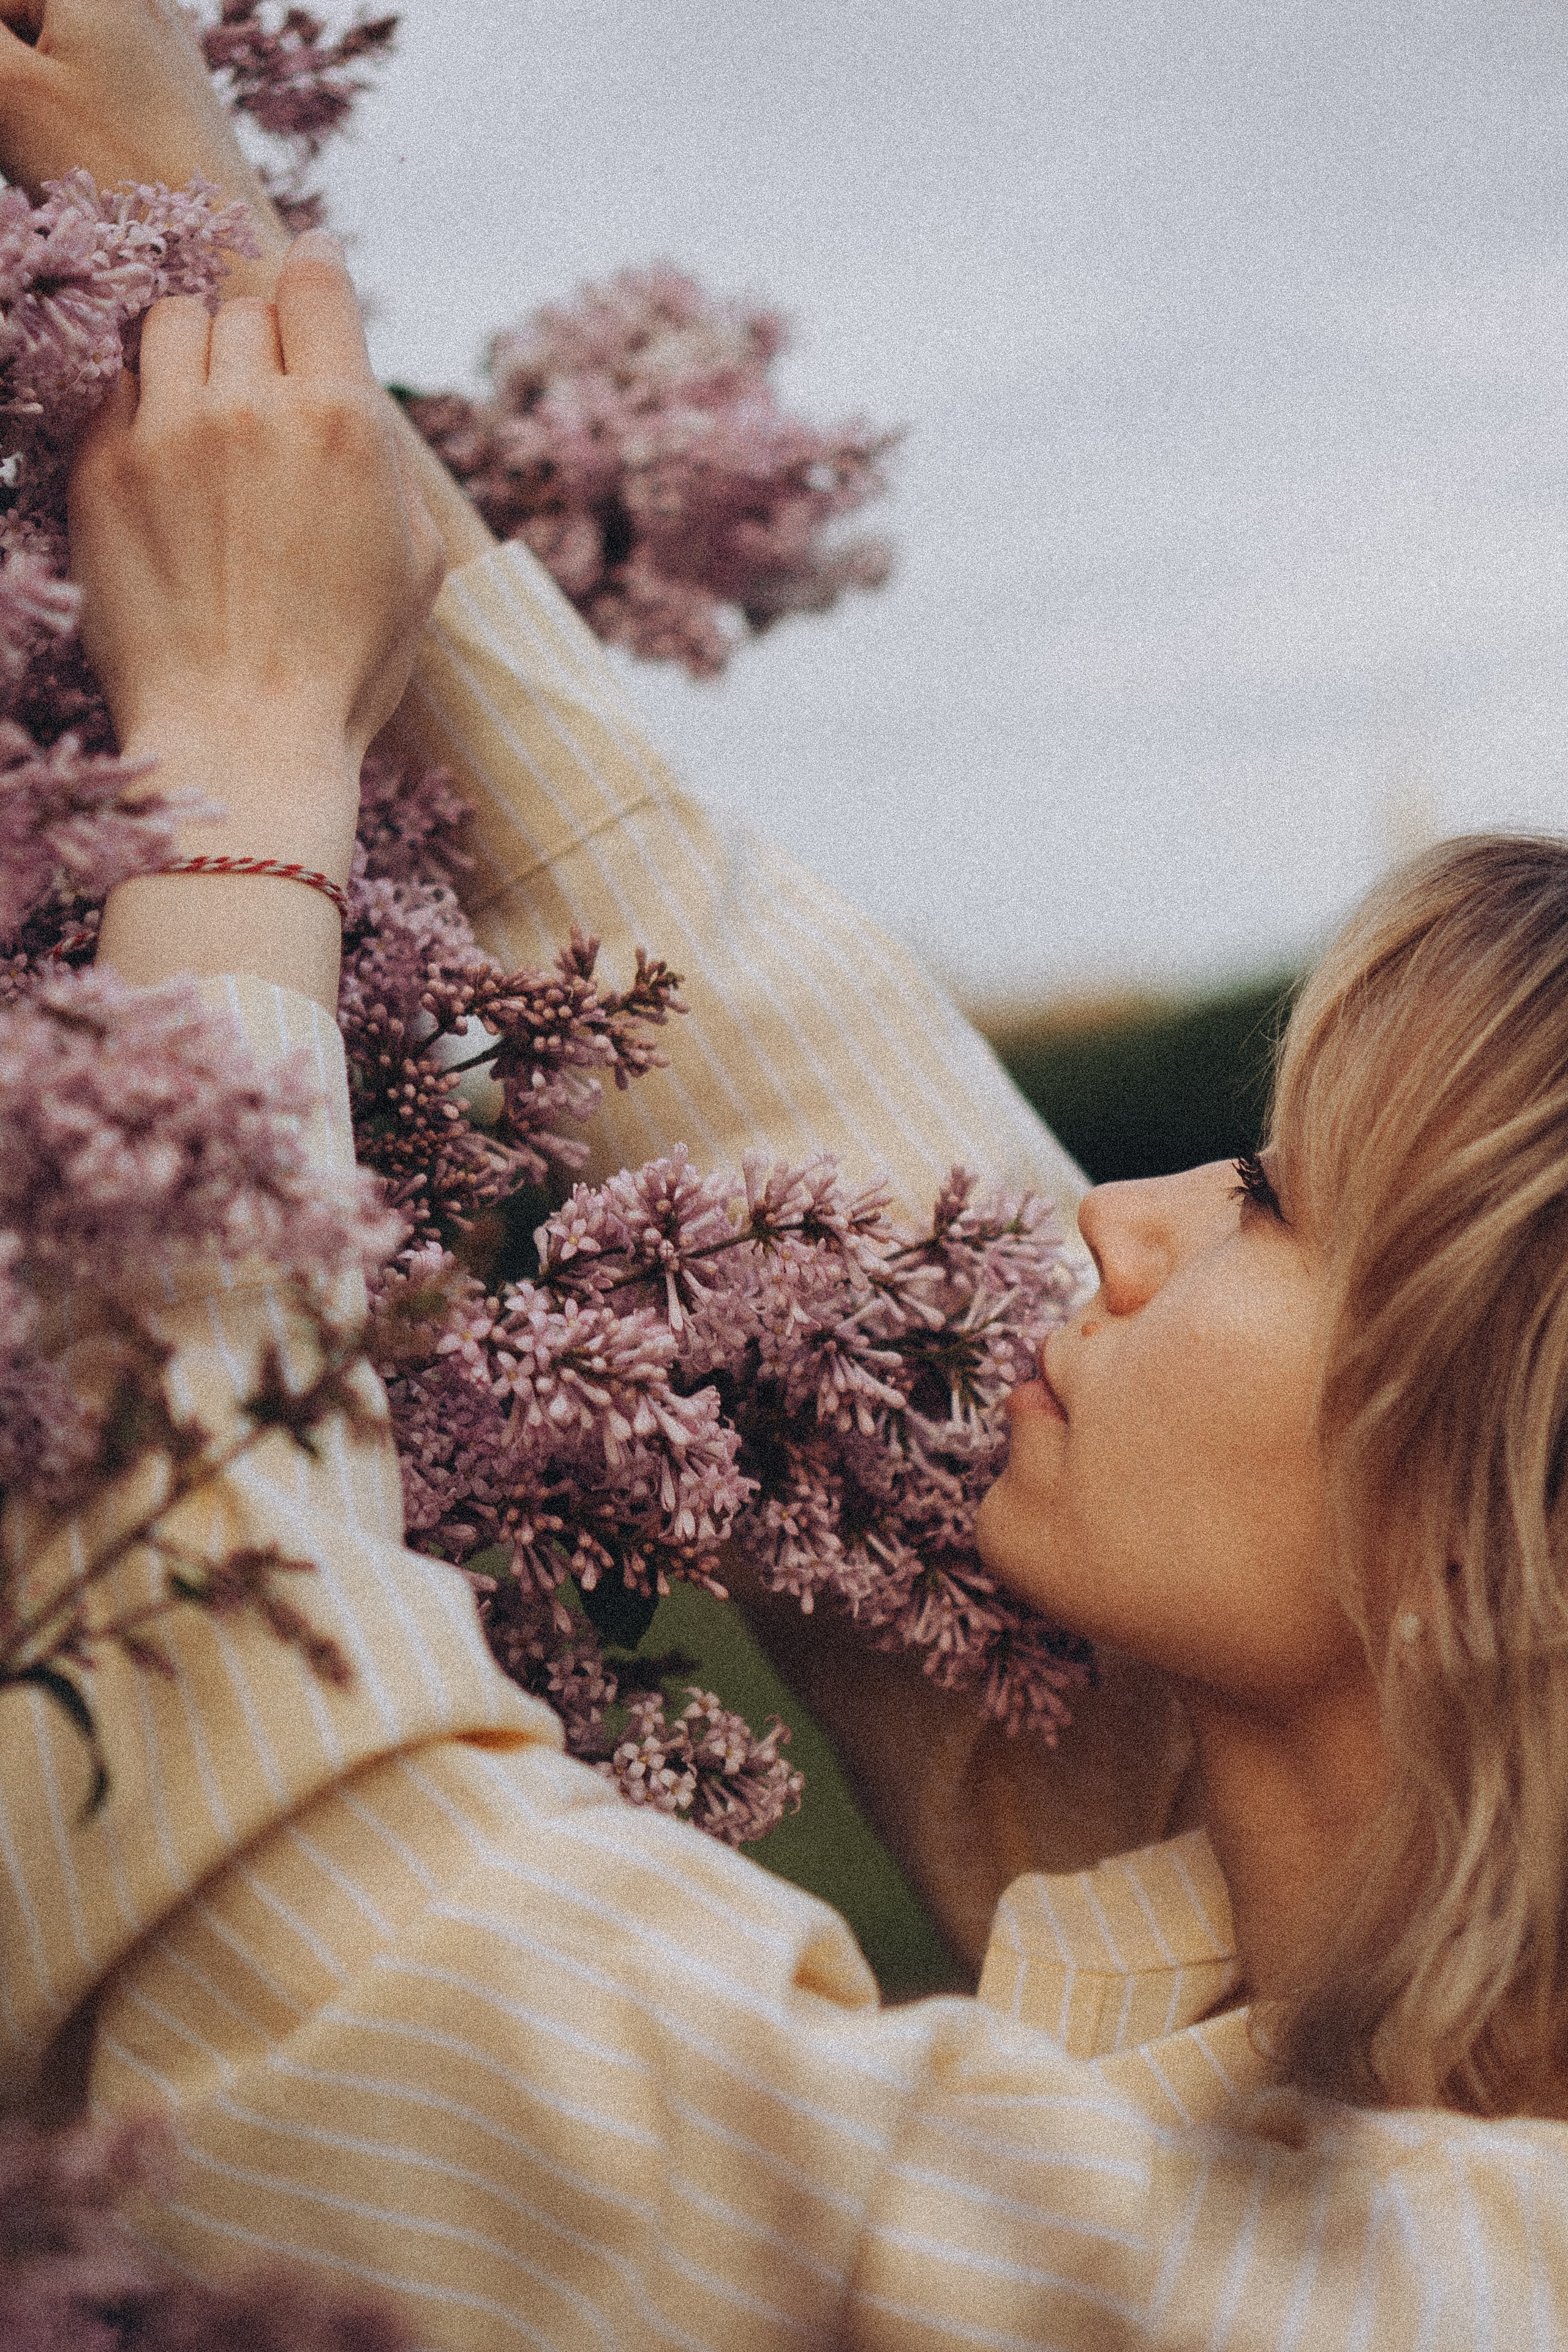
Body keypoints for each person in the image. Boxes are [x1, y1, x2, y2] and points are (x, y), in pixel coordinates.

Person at [2, 7, 1567, 2348]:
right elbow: (772, 1091)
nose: (1112, 1222)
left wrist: (228, 758)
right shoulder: (1361, 1952)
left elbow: (325, 1940)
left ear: (1496, 1539)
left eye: (1273, 1207)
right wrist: (213, 252)